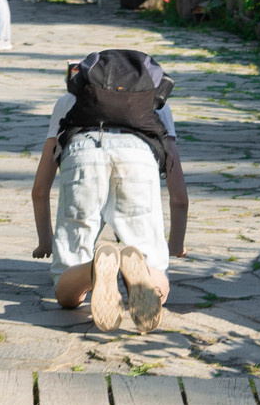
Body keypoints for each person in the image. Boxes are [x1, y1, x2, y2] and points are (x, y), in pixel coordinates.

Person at [32, 49, 188, 331]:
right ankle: (138, 270)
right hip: (138, 158)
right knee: (156, 278)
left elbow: (40, 189)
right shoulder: (157, 104)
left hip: (83, 154)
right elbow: (179, 196)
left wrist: (46, 242)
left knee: (66, 290)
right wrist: (175, 244)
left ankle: (94, 269)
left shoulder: (69, 101)